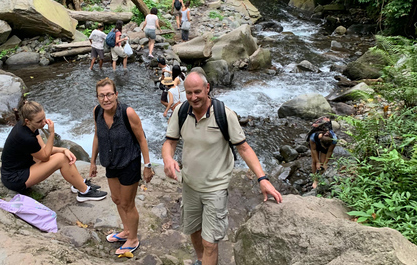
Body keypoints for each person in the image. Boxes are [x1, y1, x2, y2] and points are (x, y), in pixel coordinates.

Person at [161, 72, 283, 265]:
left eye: (198, 92)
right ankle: (201, 260)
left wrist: (263, 179)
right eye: (189, 93)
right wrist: (167, 159)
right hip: (190, 185)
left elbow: (244, 148)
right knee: (194, 230)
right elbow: (170, 142)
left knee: (210, 243)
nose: (193, 97)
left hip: (215, 188)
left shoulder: (224, 114)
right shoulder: (181, 111)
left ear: (207, 88)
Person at [89, 78, 153, 255]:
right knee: (116, 199)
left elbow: (141, 138)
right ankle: (126, 231)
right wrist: (93, 161)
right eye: (102, 96)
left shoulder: (128, 113)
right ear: (97, 98)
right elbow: (97, 136)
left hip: (129, 163)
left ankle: (133, 239)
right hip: (110, 162)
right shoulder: (97, 112)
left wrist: (147, 165)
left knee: (127, 203)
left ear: (116, 95)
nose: (106, 99)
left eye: (109, 94)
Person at [0, 101, 107, 202]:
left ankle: (79, 184)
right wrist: (51, 134)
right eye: (39, 121)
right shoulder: (25, 136)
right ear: (27, 120)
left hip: (23, 167)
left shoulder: (29, 126)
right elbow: (45, 156)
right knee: (61, 159)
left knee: (64, 155)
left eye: (44, 118)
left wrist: (64, 149)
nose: (43, 123)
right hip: (14, 178)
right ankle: (84, 192)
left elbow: (43, 148)